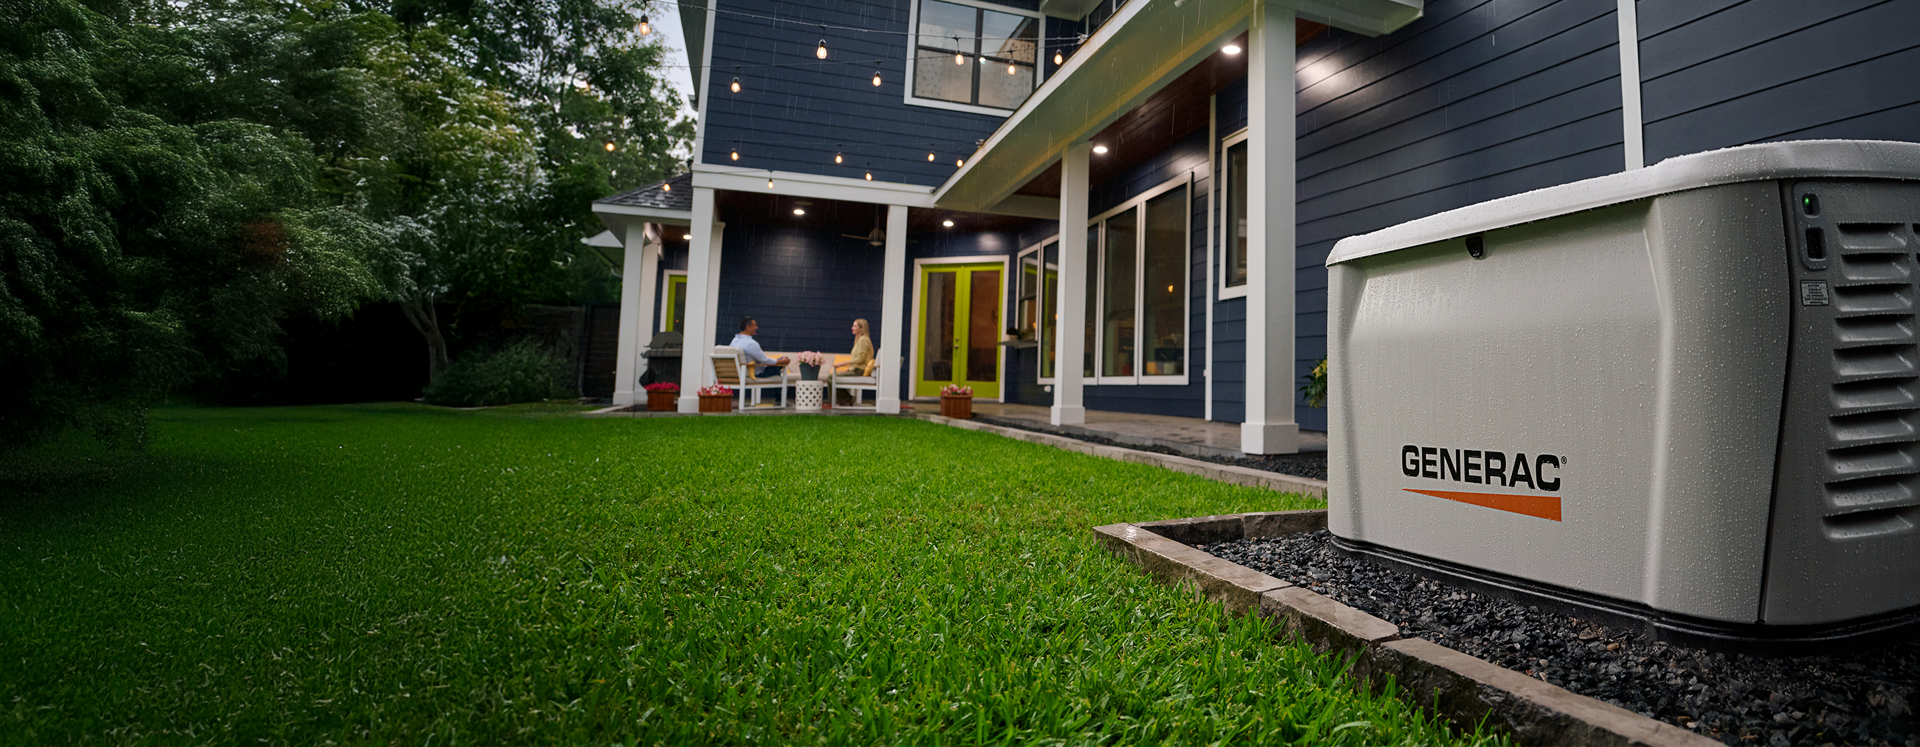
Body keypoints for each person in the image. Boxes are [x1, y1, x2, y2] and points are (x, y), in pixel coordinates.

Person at [826, 318, 874, 405]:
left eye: (855, 326)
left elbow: (860, 359)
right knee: (833, 376)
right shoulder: (859, 340)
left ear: (861, 328)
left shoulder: (863, 340)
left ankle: (843, 400)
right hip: (856, 369)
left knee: (831, 377)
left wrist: (842, 364)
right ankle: (845, 400)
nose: (852, 328)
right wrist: (848, 370)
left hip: (859, 371)